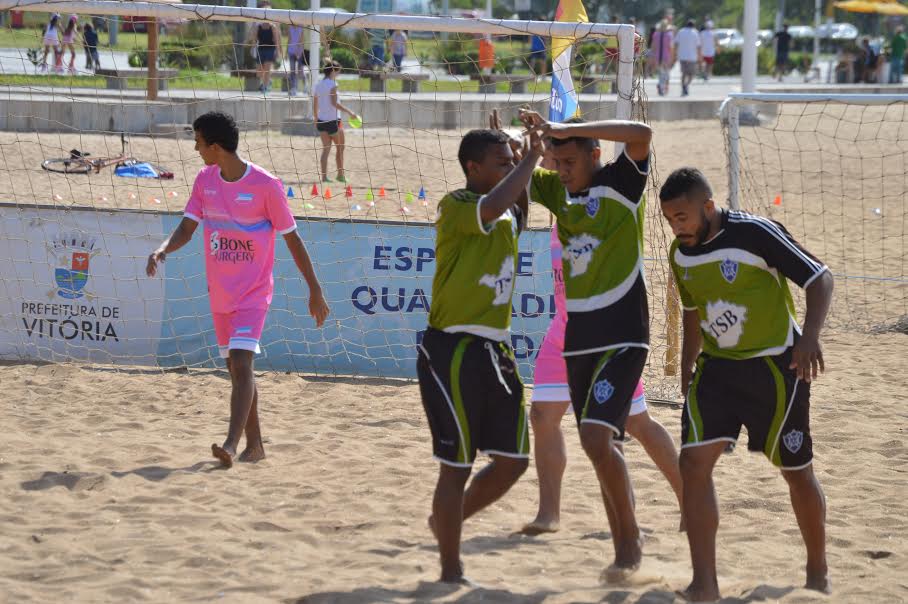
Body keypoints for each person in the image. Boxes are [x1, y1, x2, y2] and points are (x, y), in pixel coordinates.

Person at [659, 167, 833, 601]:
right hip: (717, 370)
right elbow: (693, 311)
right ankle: (705, 583)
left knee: (796, 472)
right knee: (693, 464)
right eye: (668, 219)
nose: (675, 227)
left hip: (775, 367)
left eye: (682, 217)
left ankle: (817, 571)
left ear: (708, 207)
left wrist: (809, 338)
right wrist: (686, 368)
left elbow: (819, 278)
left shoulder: (755, 232)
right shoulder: (680, 255)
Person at [146, 111, 330, 468]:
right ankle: (256, 445)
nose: (196, 148)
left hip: (253, 294)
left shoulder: (266, 185)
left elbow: (292, 239)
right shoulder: (205, 180)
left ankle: (230, 444)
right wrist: (162, 248)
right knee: (235, 367)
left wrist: (315, 290)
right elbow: (186, 229)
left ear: (215, 146)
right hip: (221, 294)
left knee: (243, 363)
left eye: (198, 141)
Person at [522, 111, 653, 581]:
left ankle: (628, 543)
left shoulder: (620, 183)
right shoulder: (558, 190)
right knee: (598, 443)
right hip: (578, 341)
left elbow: (642, 135)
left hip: (623, 334)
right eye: (557, 163)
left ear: (595, 154)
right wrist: (530, 143)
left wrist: (565, 128)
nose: (563, 170)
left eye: (570, 160)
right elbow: (517, 175)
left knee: (601, 437)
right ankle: (622, 539)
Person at [418, 122, 544, 584]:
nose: (510, 165)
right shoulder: (458, 205)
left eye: (510, 161)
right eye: (501, 162)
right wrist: (530, 157)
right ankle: (451, 571)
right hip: (451, 347)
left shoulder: (507, 210)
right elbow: (494, 205)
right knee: (457, 465)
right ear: (472, 169)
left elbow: (516, 206)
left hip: (496, 347)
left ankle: (446, 521)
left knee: (513, 461)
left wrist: (518, 156)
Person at [313, 60, 359, 184]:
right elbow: (334, 103)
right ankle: (340, 175)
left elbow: (315, 104)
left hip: (322, 121)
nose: (339, 73)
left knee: (326, 149)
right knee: (340, 148)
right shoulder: (333, 84)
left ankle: (324, 177)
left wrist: (316, 119)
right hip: (333, 121)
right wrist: (350, 112)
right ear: (333, 71)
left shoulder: (318, 85)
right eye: (338, 71)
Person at [249, 6, 281, 93]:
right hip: (261, 49)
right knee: (259, 72)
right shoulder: (258, 26)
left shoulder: (273, 27)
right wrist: (252, 48)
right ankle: (268, 81)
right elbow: (254, 39)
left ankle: (265, 87)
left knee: (267, 69)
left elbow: (276, 40)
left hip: (270, 49)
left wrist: (278, 51)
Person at [674, 19, 700, 96]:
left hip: (682, 56)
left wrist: (675, 54)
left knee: (684, 73)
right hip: (692, 56)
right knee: (692, 74)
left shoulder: (681, 31)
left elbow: (676, 43)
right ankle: (686, 85)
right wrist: (699, 56)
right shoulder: (695, 32)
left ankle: (683, 86)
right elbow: (698, 46)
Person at [651, 20, 674, 96]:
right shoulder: (669, 35)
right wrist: (672, 57)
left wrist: (653, 57)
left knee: (660, 72)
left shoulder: (656, 34)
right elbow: (670, 47)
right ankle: (663, 87)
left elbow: (653, 47)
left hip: (658, 56)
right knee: (666, 73)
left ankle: (661, 86)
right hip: (666, 56)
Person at [286, 24, 309, 96]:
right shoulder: (290, 27)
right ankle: (293, 88)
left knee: (300, 70)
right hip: (291, 51)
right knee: (292, 71)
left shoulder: (301, 27)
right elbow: (289, 39)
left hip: (299, 52)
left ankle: (305, 85)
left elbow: (302, 40)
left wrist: (298, 51)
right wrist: (286, 51)